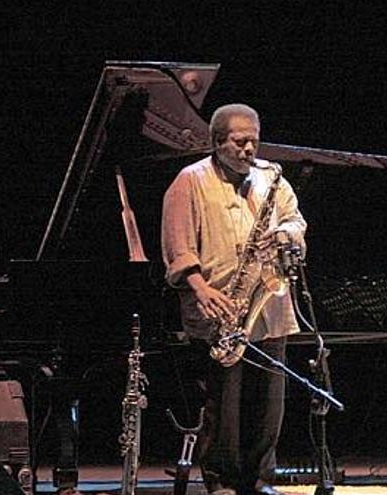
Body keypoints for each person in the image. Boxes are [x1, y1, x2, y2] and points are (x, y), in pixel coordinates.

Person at [161, 103, 306, 495]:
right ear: (217, 142)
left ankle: (260, 480)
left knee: (269, 404)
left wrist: (284, 235)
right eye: (240, 142)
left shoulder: (271, 178)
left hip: (270, 307)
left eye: (254, 142)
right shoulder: (190, 181)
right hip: (219, 308)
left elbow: (296, 221)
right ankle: (221, 480)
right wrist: (200, 288)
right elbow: (178, 245)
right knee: (223, 407)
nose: (248, 150)